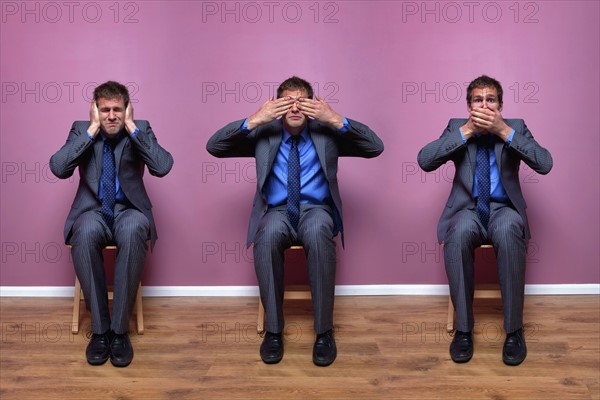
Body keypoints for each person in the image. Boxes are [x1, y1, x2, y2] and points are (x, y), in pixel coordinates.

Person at [207, 76, 384, 366]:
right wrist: (254, 119)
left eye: (302, 100)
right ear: (277, 106)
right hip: (276, 211)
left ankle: (324, 332)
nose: (295, 106)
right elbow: (214, 146)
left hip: (316, 209)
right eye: (287, 100)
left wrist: (336, 118)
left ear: (313, 105)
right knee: (267, 235)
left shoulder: (326, 132)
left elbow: (375, 146)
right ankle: (274, 331)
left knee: (317, 231)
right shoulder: (265, 132)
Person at [417, 75, 553, 365]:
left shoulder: (515, 127)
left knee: (508, 227)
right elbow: (425, 160)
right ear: (469, 106)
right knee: (458, 232)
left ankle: (514, 331)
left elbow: (544, 163)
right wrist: (466, 130)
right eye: (478, 99)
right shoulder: (457, 127)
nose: (484, 104)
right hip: (467, 210)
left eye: (490, 99)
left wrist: (503, 131)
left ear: (500, 105)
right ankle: (464, 331)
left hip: (503, 209)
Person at [50, 81, 174, 367]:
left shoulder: (139, 127)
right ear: (95, 110)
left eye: (118, 109)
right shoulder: (82, 129)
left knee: (133, 229)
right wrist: (92, 130)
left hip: (128, 210)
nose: (111, 115)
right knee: (85, 231)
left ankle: (119, 332)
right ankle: (100, 331)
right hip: (93, 210)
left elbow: (163, 166)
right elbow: (58, 168)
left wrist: (132, 127)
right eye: (104, 109)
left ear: (127, 109)